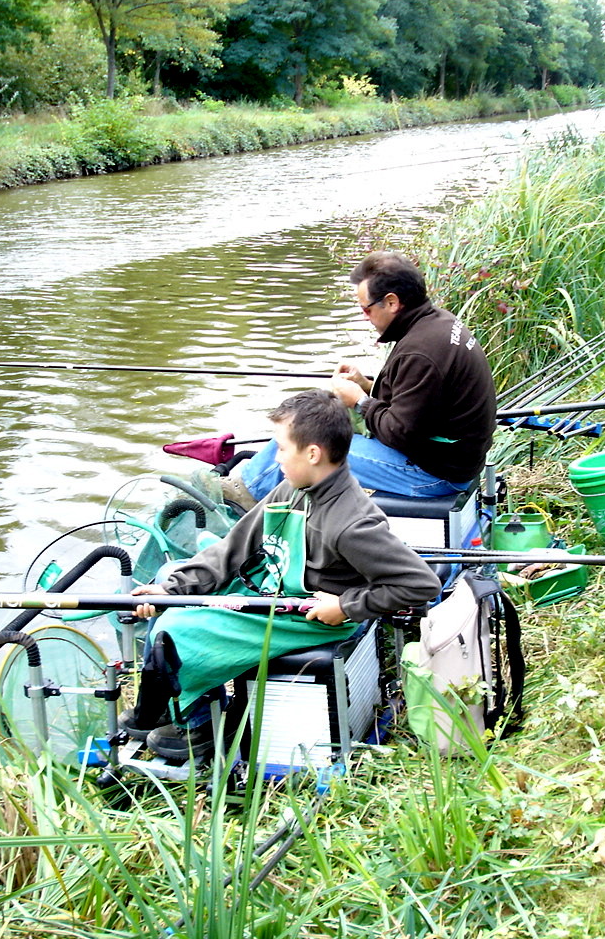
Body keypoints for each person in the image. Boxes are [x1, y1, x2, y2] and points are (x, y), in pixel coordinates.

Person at [121, 388, 442, 760]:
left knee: (176, 632)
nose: (275, 457)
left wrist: (347, 605)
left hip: (310, 616)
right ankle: (174, 697)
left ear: (312, 453)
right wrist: (169, 590)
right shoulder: (293, 487)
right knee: (173, 577)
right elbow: (233, 548)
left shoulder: (352, 523)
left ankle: (197, 725)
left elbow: (420, 584)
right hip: (276, 590)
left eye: (281, 448)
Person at [233, 251, 496, 503]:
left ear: (392, 302)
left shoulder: (421, 352)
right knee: (307, 423)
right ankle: (255, 486)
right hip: (446, 458)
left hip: (436, 474)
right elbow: (417, 408)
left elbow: (400, 432)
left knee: (306, 448)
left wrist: (360, 401)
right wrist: (366, 386)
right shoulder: (437, 323)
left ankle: (248, 495)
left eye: (367, 310)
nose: (365, 317)